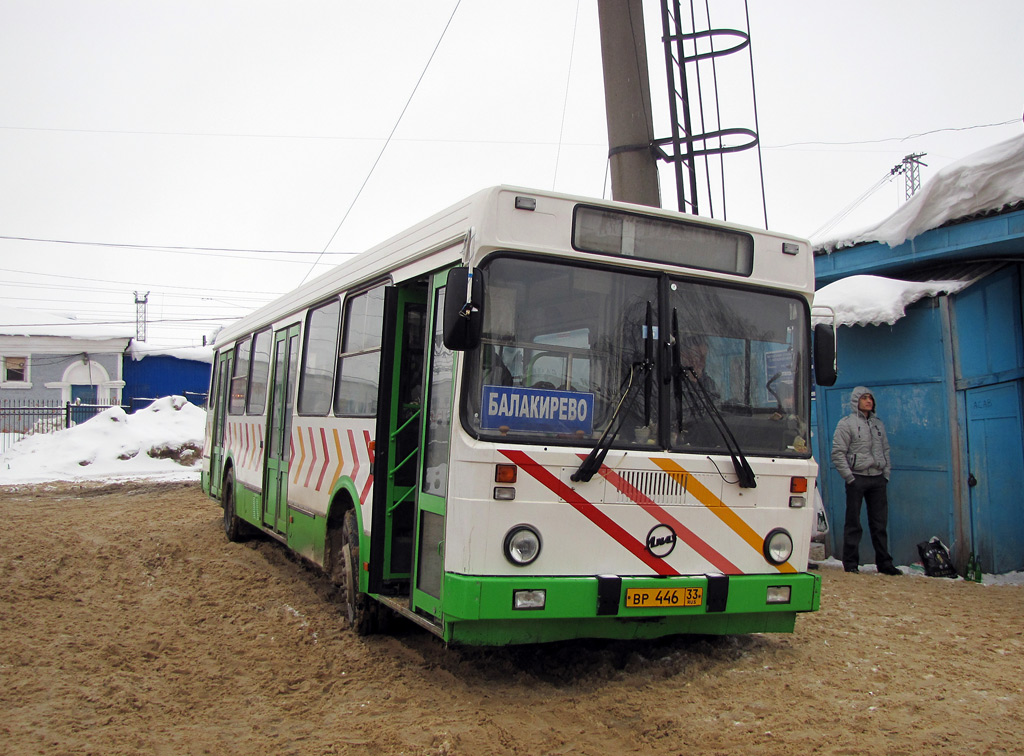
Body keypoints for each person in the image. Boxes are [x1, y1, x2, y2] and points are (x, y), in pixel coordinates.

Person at [831, 386, 901, 575]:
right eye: (864, 398)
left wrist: (885, 474)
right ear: (856, 401)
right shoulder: (846, 424)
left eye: (870, 398)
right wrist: (849, 477)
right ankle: (851, 563)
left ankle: (885, 564)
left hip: (878, 479)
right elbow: (838, 453)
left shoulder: (878, 424)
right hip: (857, 478)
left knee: (879, 524)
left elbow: (886, 450)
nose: (868, 401)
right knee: (853, 523)